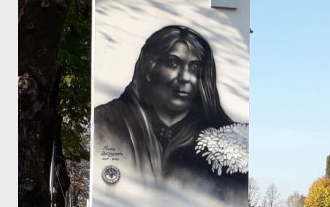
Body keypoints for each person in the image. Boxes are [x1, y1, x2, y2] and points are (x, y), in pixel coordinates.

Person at [92, 25, 246, 192]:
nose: (185, 77)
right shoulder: (105, 121)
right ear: (149, 68)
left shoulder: (227, 140)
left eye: (194, 68)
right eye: (173, 63)